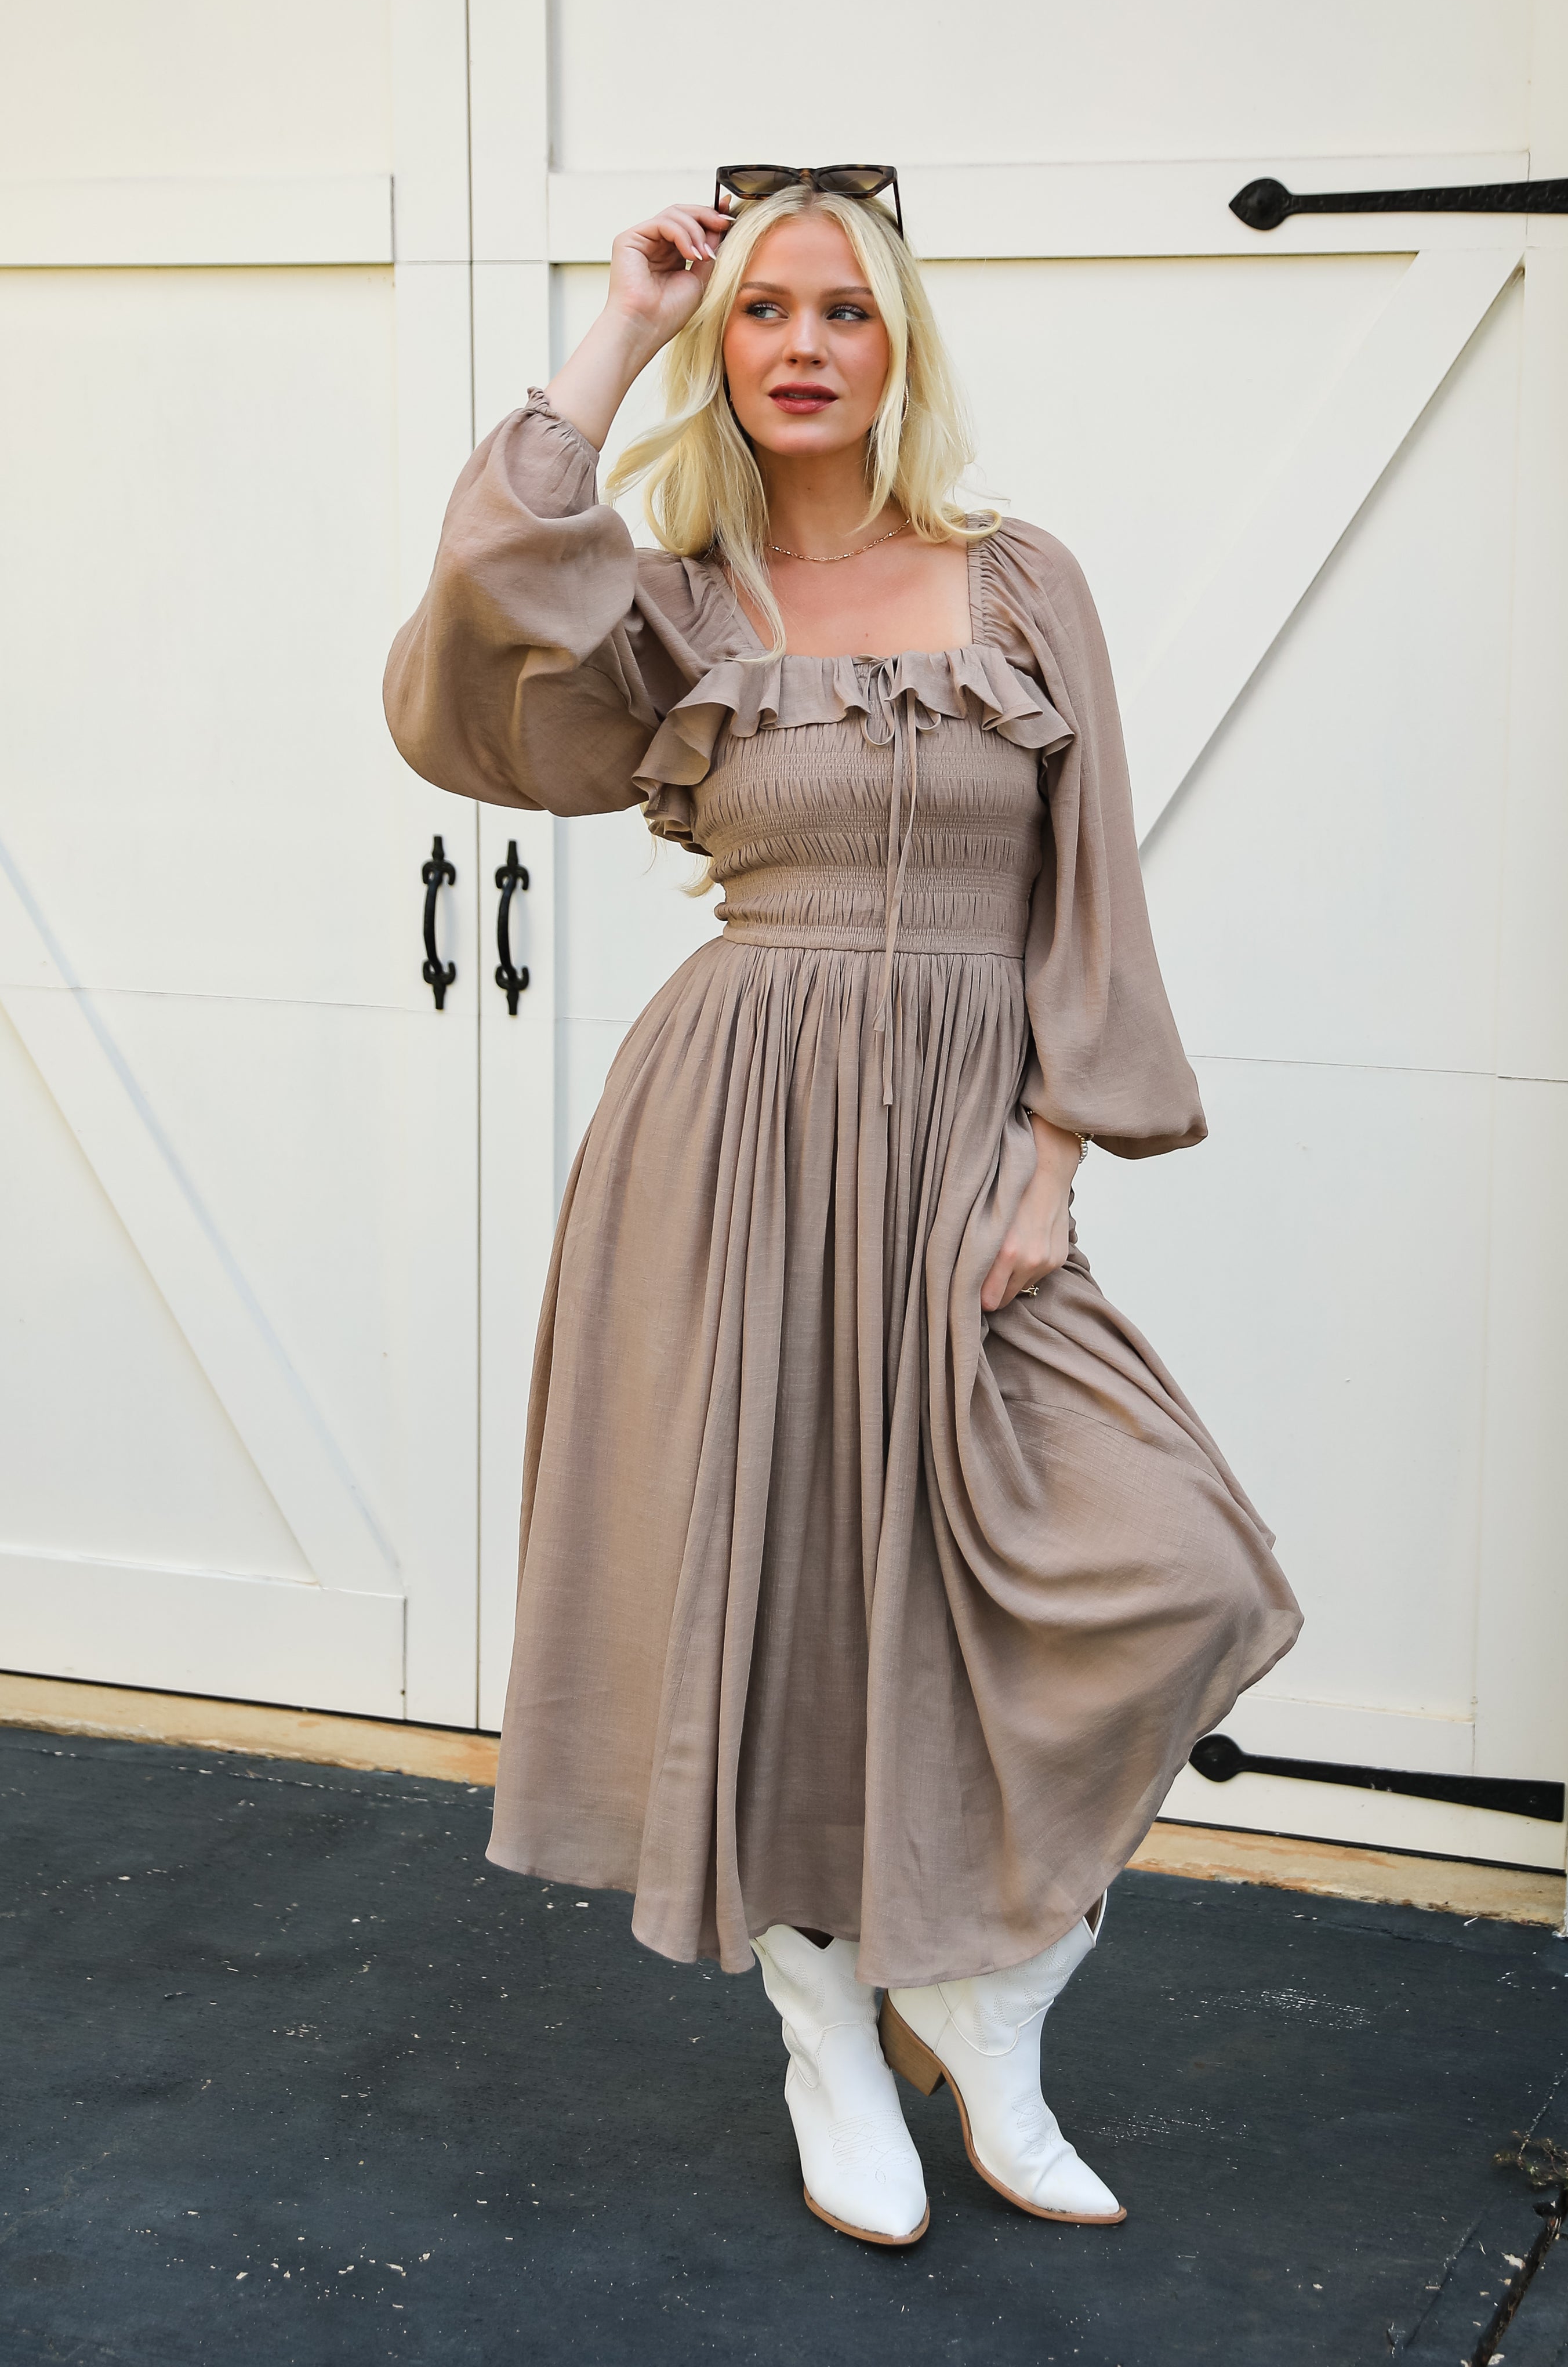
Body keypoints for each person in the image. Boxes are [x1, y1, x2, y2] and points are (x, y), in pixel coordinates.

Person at [385, 173, 1301, 2246]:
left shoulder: (1015, 579)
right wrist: (614, 327)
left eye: (845, 314)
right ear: (726, 349)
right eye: (763, 311)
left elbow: (1092, 882)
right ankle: (822, 2023)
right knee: (786, 1601)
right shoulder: (675, 603)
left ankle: (984, 1994)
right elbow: (476, 597)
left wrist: (1049, 1163)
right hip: (729, 1137)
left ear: (899, 352)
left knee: (1172, 1571)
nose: (801, 343)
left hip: (968, 1138)